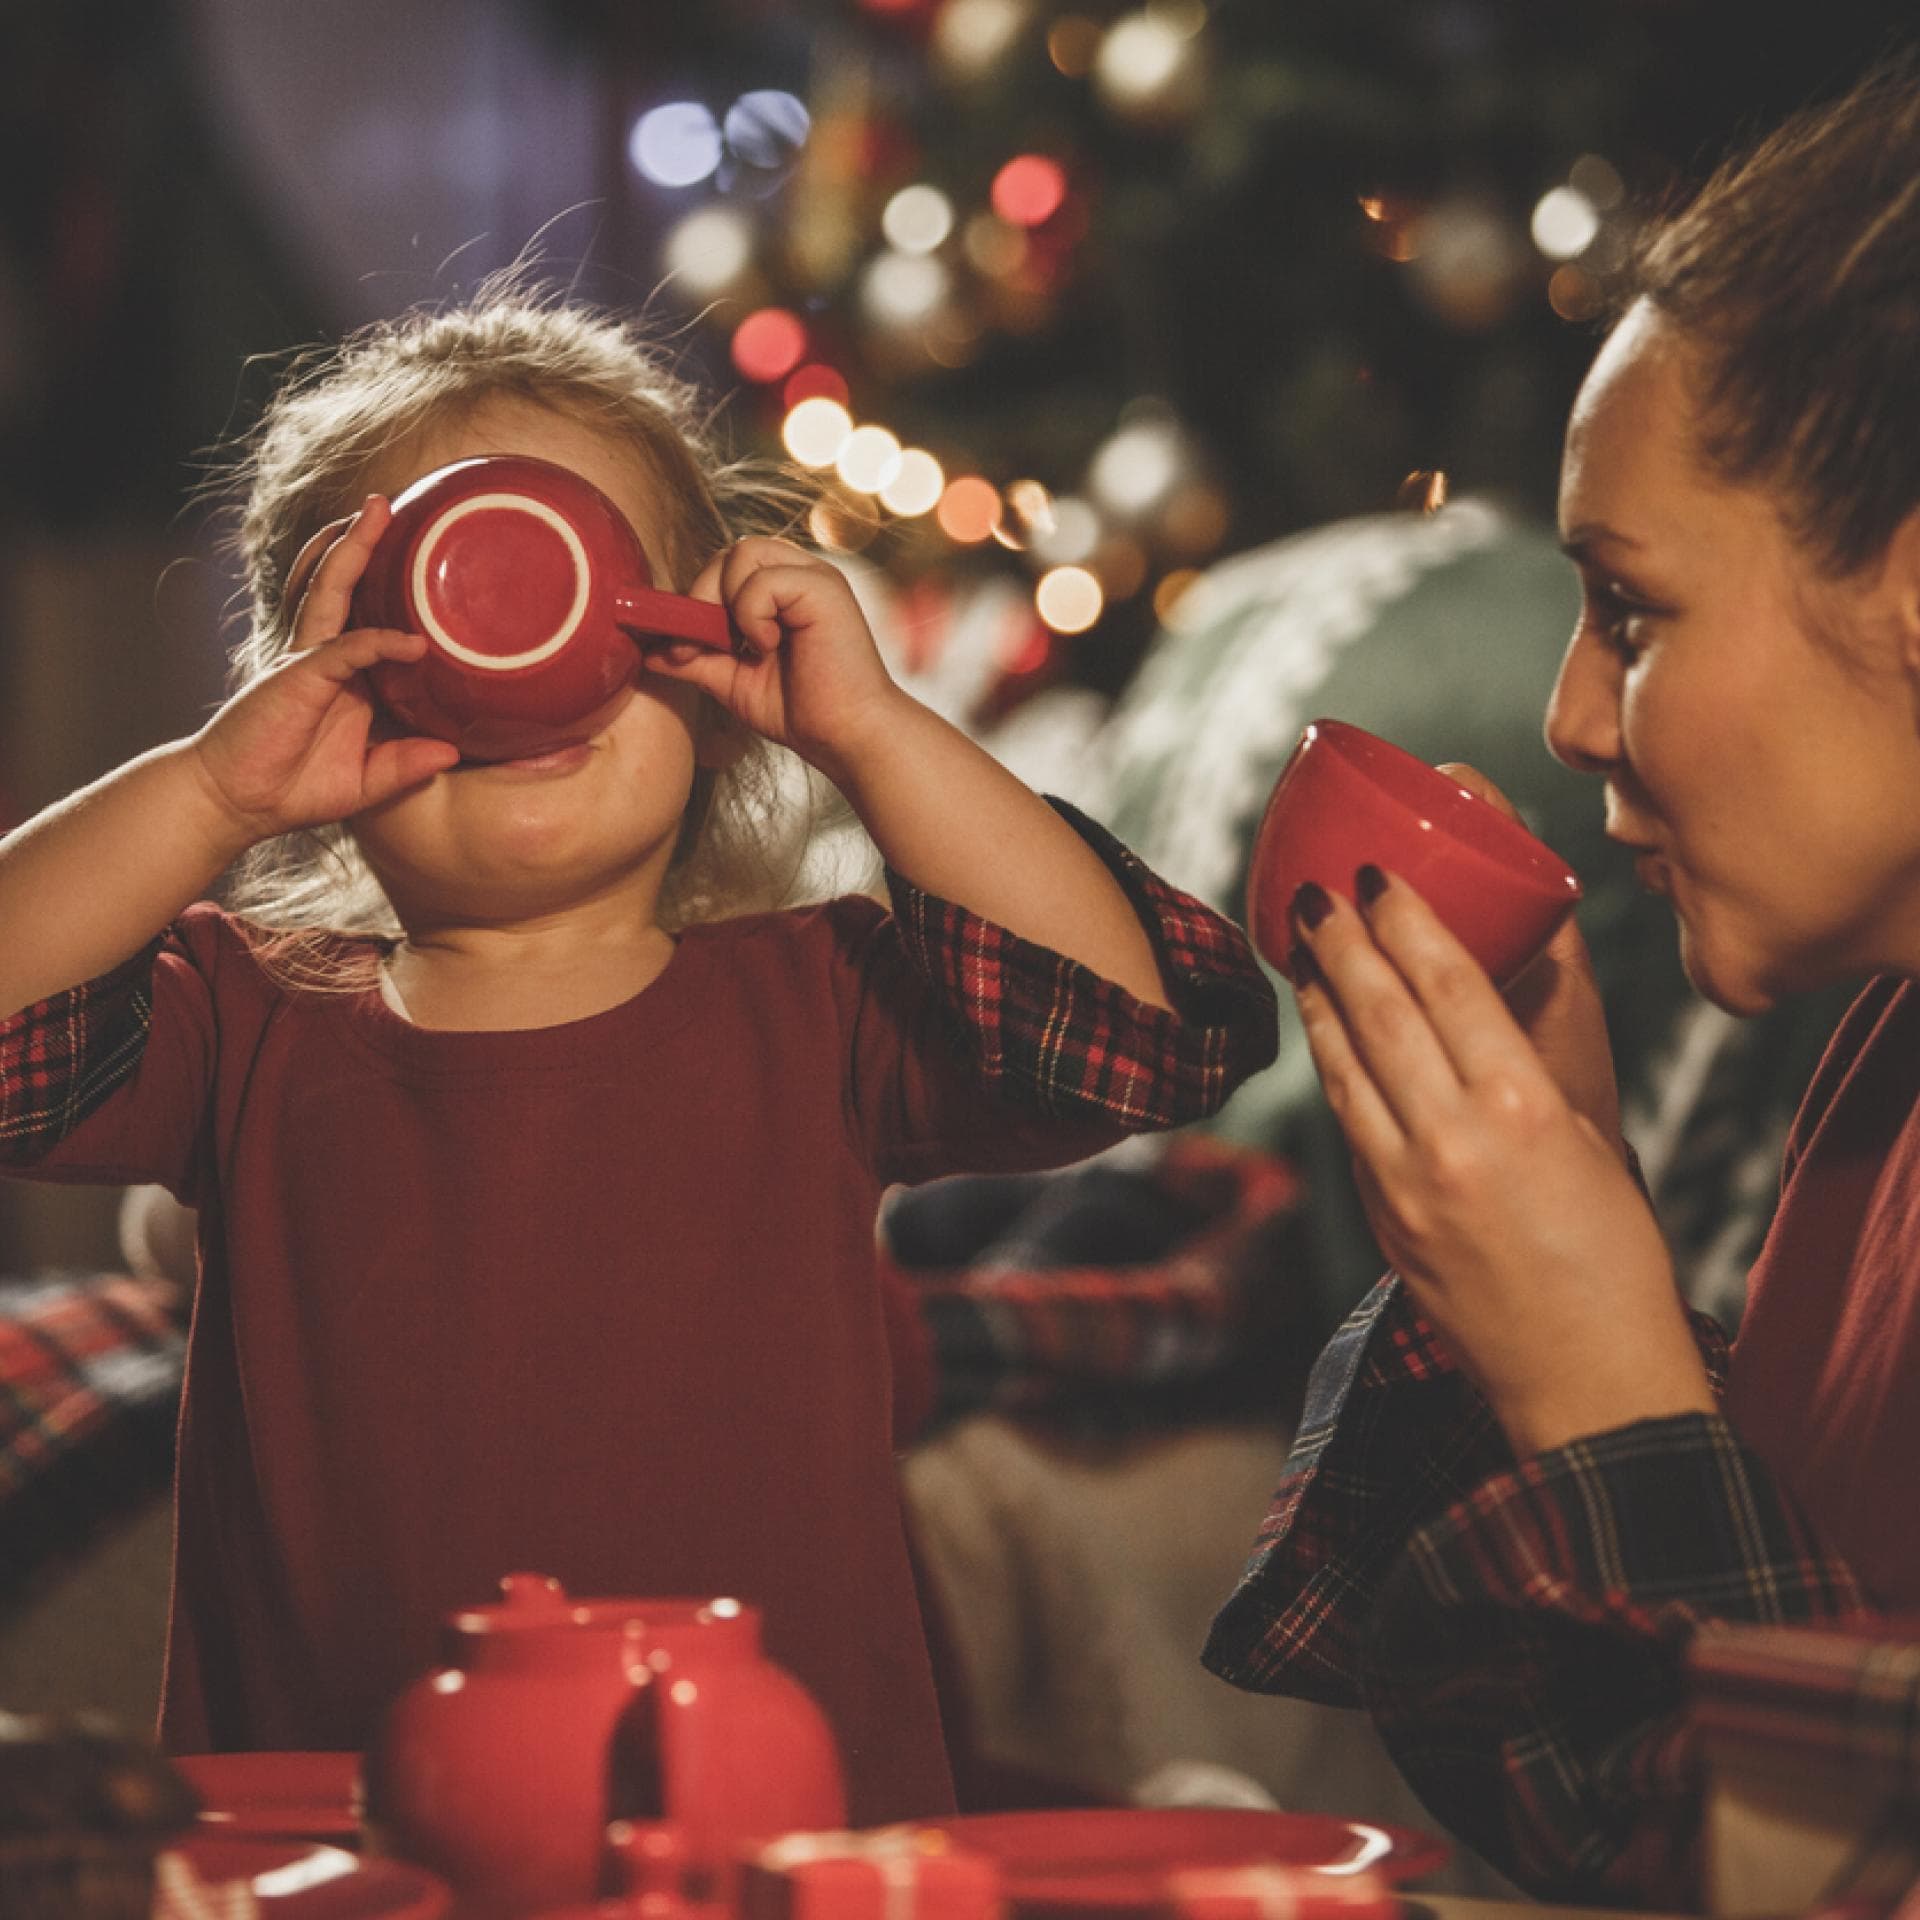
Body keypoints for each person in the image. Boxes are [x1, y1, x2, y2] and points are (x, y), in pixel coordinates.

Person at [0, 287, 1278, 1822]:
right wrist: (210, 790)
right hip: (342, 1854)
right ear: (319, 697)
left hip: (777, 1855)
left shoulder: (821, 1009)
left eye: (586, 579)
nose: (518, 639)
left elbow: (1134, 1042)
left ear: (703, 677)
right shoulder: (246, 1024)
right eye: (438, 590)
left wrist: (871, 731)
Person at [1204, 53, 1920, 1909]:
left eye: (1633, 611)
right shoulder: (1887, 1062)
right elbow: (1640, 1809)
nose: (1567, 718)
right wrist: (1548, 1262)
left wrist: (1607, 1393)